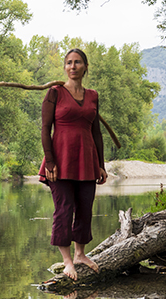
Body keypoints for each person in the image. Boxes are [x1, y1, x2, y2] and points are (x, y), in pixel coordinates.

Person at [39, 49, 108, 281]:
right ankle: (67, 261)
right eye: (69, 63)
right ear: (64, 67)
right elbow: (45, 129)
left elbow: (96, 132)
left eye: (77, 62)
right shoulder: (54, 93)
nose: (73, 66)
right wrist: (49, 160)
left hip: (87, 160)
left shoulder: (93, 96)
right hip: (60, 160)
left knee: (85, 208)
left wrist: (101, 163)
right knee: (64, 209)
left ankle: (80, 254)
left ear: (85, 67)